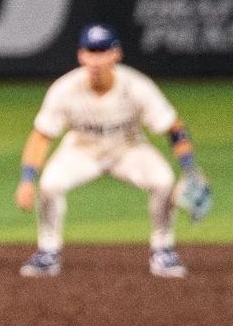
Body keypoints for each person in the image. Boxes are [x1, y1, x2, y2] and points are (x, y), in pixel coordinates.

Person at [14, 23, 199, 279]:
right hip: (82, 150)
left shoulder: (137, 86)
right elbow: (41, 135)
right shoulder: (64, 89)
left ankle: (163, 250)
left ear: (116, 54)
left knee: (163, 180)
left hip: (128, 149)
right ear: (81, 55)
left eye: (102, 51)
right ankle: (48, 251)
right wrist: (26, 180)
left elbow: (174, 128)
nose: (95, 59)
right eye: (90, 51)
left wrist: (190, 170)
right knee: (49, 184)